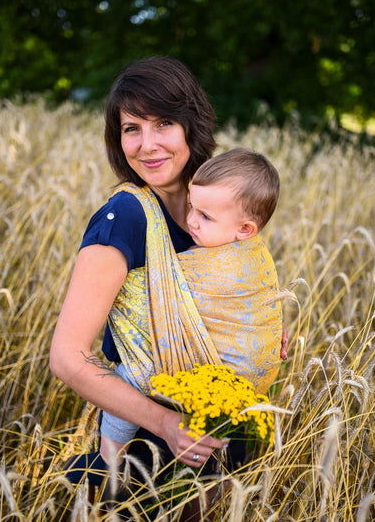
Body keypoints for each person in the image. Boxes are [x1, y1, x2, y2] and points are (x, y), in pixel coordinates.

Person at [49, 56, 288, 515]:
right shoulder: (126, 219)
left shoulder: (213, 206)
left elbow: (234, 289)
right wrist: (166, 422)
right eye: (131, 128)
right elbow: (67, 356)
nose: (147, 144)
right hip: (151, 441)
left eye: (163, 123)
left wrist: (253, 333)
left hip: (215, 426)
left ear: (190, 126)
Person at [99, 147, 283, 463]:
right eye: (191, 207)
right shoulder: (257, 254)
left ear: (245, 230)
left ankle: (108, 458)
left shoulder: (211, 266)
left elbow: (157, 288)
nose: (191, 221)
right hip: (245, 395)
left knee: (131, 374)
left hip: (217, 384)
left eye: (205, 216)